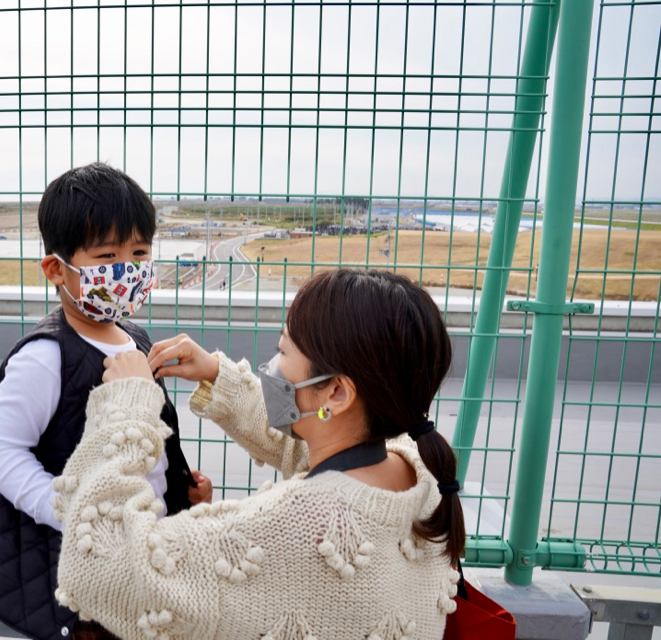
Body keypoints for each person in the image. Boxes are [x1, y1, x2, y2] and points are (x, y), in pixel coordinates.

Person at [52, 268, 465, 639]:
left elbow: (103, 570)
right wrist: (219, 376)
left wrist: (128, 408)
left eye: (284, 351)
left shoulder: (287, 528)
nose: (274, 365)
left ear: (336, 392)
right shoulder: (422, 469)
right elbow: (313, 445)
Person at [0, 163, 212, 640]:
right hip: (86, 582)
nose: (127, 269)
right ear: (56, 269)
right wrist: (67, 507)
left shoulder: (137, 340)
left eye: (139, 252)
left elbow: (146, 440)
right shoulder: (47, 358)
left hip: (142, 560)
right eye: (107, 255)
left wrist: (179, 495)